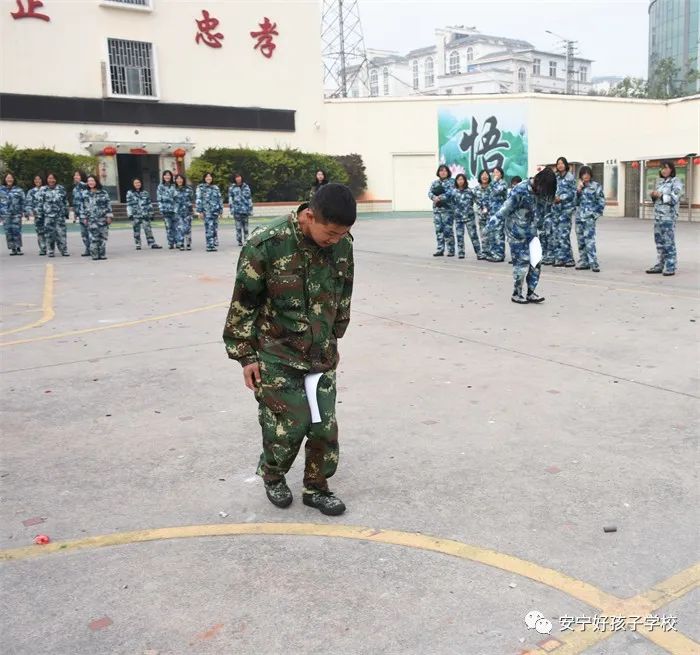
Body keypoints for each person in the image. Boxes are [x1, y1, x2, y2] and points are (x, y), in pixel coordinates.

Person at [223, 184, 356, 516]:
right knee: (287, 426)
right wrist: (246, 356)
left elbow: (344, 291)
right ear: (309, 216)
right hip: (276, 353)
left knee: (324, 427)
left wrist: (335, 332)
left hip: (320, 354)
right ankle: (273, 475)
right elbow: (243, 304)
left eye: (342, 234)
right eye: (330, 233)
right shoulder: (266, 244)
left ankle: (316, 487)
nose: (335, 240)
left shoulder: (342, 245)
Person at [491, 167, 557, 304]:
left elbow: (546, 211)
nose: (543, 193)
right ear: (538, 181)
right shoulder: (520, 189)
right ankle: (517, 294)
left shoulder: (543, 192)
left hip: (532, 231)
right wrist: (490, 226)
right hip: (515, 231)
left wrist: (546, 228)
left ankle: (531, 292)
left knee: (536, 262)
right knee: (522, 264)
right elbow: (505, 209)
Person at [647, 160, 683, 276]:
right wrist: (653, 196)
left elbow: (674, 199)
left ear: (671, 169)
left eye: (666, 168)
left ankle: (671, 266)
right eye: (662, 168)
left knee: (668, 242)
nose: (663, 170)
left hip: (668, 217)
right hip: (658, 217)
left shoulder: (676, 182)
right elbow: (657, 201)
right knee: (659, 242)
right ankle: (659, 265)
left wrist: (661, 195)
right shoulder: (660, 183)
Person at [574, 166, 605, 272]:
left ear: (591, 175)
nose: (586, 176)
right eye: (584, 174)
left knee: (589, 241)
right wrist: (578, 190)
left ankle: (593, 263)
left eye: (588, 174)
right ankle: (584, 261)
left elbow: (601, 202)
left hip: (589, 218)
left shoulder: (596, 186)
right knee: (580, 241)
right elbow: (574, 203)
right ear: (581, 176)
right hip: (579, 218)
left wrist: (594, 215)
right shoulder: (578, 186)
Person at [35, 172, 69, 257]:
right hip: (48, 216)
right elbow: (39, 203)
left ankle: (64, 250)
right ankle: (50, 250)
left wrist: (66, 212)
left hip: (59, 216)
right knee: (49, 234)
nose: (51, 180)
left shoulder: (61, 189)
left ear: (56, 179)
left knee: (61, 234)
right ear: (47, 179)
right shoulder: (43, 189)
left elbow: (65, 201)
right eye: (49, 178)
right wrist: (39, 215)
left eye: (53, 178)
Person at [450, 173, 483, 259]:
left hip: (469, 217)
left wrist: (482, 208)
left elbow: (477, 201)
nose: (460, 181)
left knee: (473, 236)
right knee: (459, 236)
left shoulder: (470, 191)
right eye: (458, 179)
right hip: (458, 218)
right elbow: (451, 203)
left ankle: (479, 253)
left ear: (465, 181)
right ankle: (461, 252)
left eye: (462, 179)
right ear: (456, 181)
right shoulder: (453, 192)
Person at [551, 156, 577, 267]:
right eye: (558, 164)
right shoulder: (556, 177)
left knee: (564, 234)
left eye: (562, 163)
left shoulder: (570, 177)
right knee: (556, 234)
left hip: (566, 210)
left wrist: (561, 198)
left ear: (566, 165)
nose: (560, 165)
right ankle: (559, 258)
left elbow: (573, 193)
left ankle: (569, 259)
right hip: (556, 210)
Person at [82, 174, 113, 260]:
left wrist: (109, 216)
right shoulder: (85, 193)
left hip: (102, 218)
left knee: (103, 237)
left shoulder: (103, 192)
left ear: (96, 181)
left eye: (92, 181)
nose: (90, 182)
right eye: (89, 181)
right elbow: (83, 206)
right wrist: (84, 217)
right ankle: (94, 254)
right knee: (93, 237)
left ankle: (102, 254)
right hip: (91, 219)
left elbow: (108, 204)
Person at [428, 164, 455, 257]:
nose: (443, 172)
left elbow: (451, 193)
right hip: (437, 210)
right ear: (438, 172)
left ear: (448, 172)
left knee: (448, 230)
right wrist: (434, 197)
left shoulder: (452, 182)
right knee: (438, 230)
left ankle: (451, 250)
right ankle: (440, 249)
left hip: (447, 210)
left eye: (445, 171)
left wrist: (440, 197)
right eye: (441, 171)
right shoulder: (435, 183)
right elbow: (429, 193)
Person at [127, 178, 162, 250]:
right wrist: (129, 214)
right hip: (135, 214)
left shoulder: (145, 193)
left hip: (145, 214)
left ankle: (152, 243)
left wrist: (151, 213)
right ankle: (138, 244)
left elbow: (149, 204)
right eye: (136, 183)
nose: (137, 184)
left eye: (139, 182)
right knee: (136, 230)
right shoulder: (130, 193)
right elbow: (129, 204)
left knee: (148, 229)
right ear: (133, 184)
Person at [483, 166, 508, 262]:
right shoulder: (492, 184)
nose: (495, 174)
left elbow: (497, 191)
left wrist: (493, 182)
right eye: (494, 172)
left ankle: (500, 254)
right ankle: (493, 253)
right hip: (491, 213)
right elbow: (488, 196)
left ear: (501, 174)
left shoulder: (503, 183)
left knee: (498, 234)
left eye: (497, 172)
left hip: (499, 213)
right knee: (492, 233)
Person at [196, 172, 223, 252]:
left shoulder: (215, 188)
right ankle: (209, 245)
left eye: (210, 177)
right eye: (207, 177)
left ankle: (213, 242)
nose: (209, 178)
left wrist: (220, 210)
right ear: (204, 178)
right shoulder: (200, 187)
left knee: (214, 228)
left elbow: (219, 199)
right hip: (206, 211)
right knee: (209, 228)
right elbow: (198, 199)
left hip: (215, 211)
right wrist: (200, 211)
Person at [0, 173, 26, 255]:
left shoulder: (19, 190)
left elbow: (23, 201)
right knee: (8, 232)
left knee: (17, 231)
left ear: (13, 179)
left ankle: (18, 248)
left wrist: (24, 211)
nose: (9, 179)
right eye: (7, 178)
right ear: (5, 179)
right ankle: (12, 248)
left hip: (16, 214)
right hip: (5, 214)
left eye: (11, 178)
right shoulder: (1, 190)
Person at [228, 172, 254, 246]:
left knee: (246, 227)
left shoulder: (246, 187)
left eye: (239, 177)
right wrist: (231, 209)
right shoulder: (232, 188)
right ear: (235, 179)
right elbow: (230, 199)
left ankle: (246, 240)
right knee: (238, 227)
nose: (238, 179)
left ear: (241, 178)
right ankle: (239, 240)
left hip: (245, 210)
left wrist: (250, 209)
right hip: (236, 210)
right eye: (237, 177)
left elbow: (249, 198)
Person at [25, 175, 46, 255]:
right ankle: (43, 249)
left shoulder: (46, 189)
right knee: (40, 232)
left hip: (48, 215)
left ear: (42, 180)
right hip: (38, 216)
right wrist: (31, 212)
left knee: (49, 232)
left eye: (39, 179)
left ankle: (50, 248)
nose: (37, 181)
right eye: (35, 179)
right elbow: (28, 204)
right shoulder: (31, 191)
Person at [157, 170, 177, 249]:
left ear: (171, 176)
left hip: (175, 209)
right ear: (163, 176)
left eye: (169, 175)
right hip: (165, 210)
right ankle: (170, 243)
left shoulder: (174, 185)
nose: (167, 176)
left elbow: (176, 197)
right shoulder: (160, 186)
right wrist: (161, 209)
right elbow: (159, 199)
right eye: (165, 175)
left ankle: (178, 242)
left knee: (176, 226)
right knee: (168, 227)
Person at [173, 174, 194, 251]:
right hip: (178, 211)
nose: (179, 180)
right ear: (175, 180)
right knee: (180, 227)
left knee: (188, 228)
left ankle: (188, 243)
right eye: (177, 179)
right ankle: (181, 243)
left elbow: (191, 199)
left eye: (180, 178)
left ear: (183, 180)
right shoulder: (173, 189)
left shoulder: (189, 189)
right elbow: (171, 200)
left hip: (187, 211)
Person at [71, 170, 89, 256]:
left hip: (87, 214)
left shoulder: (86, 186)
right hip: (80, 214)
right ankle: (88, 249)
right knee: (84, 233)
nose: (75, 177)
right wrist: (75, 213)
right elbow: (75, 202)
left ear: (82, 176)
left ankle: (94, 248)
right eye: (75, 175)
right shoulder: (75, 189)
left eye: (77, 175)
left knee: (90, 232)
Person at [474, 169, 492, 241]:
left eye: (486, 175)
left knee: (493, 236)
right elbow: (475, 201)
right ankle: (484, 248)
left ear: (489, 177)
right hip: (481, 216)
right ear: (480, 177)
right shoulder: (476, 189)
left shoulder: (493, 188)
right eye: (483, 175)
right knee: (483, 236)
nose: (484, 176)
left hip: (492, 216)